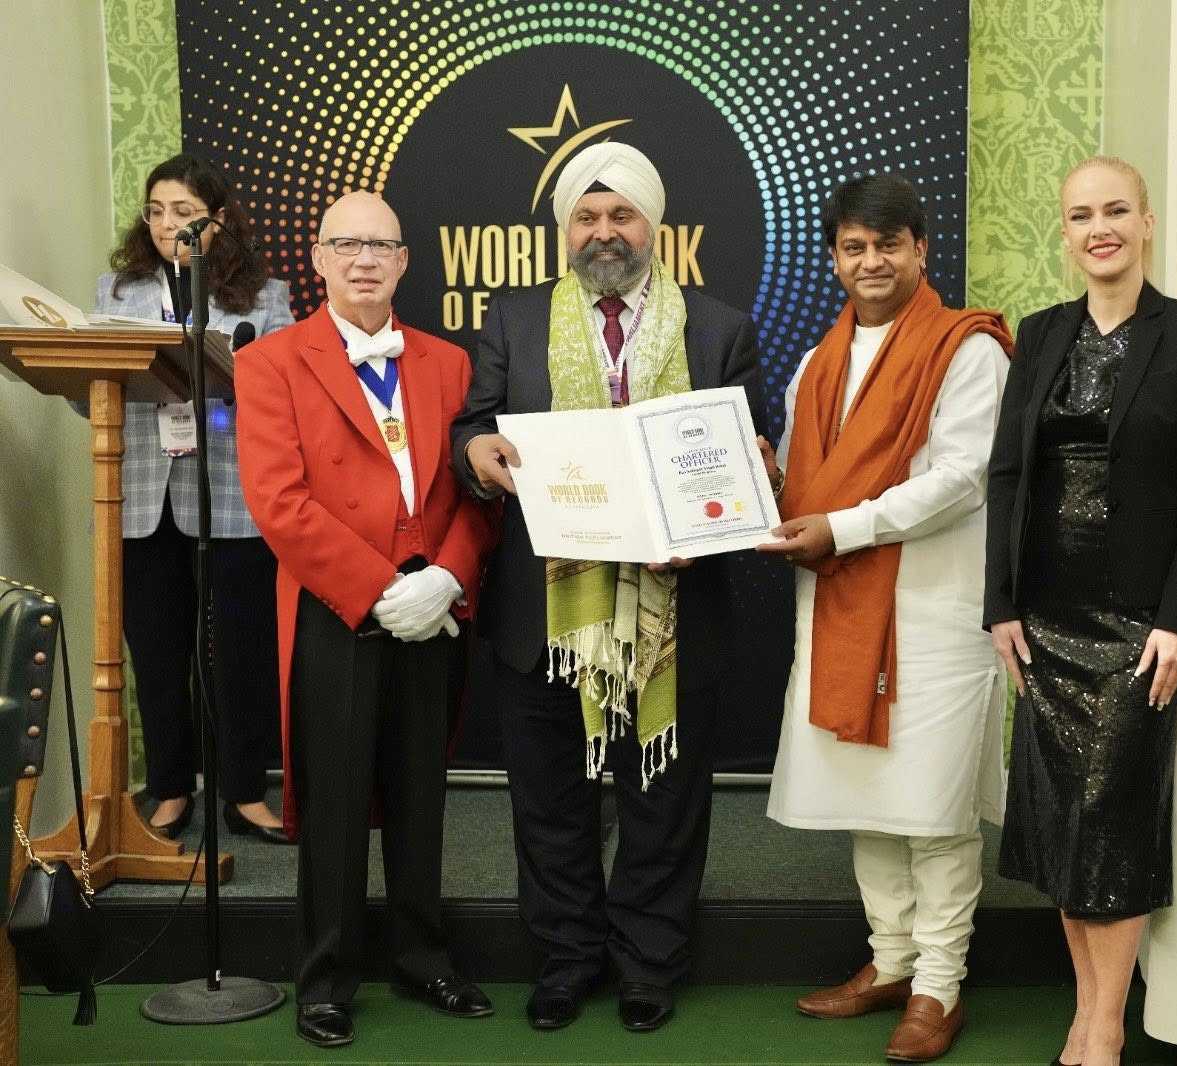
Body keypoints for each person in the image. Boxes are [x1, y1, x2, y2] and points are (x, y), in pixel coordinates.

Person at [450, 142, 762, 1033]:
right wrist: (476, 452)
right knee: (551, 800)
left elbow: (749, 454)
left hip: (676, 609)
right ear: (565, 231)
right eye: (586, 217)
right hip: (546, 609)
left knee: (665, 803)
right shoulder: (514, 321)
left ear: (652, 225)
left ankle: (649, 965)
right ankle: (566, 960)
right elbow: (474, 426)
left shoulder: (719, 328)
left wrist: (716, 517)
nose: (604, 231)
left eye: (621, 214)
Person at [984, 156, 1177, 1066]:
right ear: (1066, 233)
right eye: (1083, 214)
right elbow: (1007, 476)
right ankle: (1088, 1009)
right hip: (1044, 616)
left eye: (1117, 210)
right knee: (1063, 817)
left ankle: (1106, 1025)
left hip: (1139, 622)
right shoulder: (1041, 332)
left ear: (1147, 223)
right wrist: (1000, 605)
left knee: (1114, 815)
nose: (1101, 228)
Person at [235, 191, 496, 1048]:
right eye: (346, 244)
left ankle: (424, 958)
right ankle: (326, 978)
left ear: (405, 261)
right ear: (318, 258)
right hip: (336, 604)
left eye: (381, 245)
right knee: (337, 799)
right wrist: (381, 590)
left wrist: (447, 577)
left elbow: (481, 489)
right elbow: (279, 503)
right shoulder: (270, 362)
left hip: (435, 609)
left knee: (422, 793)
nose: (364, 260)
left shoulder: (450, 363)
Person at [761, 174, 1011, 1064]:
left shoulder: (967, 349)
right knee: (869, 799)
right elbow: (806, 478)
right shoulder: (817, 362)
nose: (871, 261)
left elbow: (961, 479)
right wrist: (755, 478)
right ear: (835, 258)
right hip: (841, 608)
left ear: (921, 250)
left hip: (935, 616)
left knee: (932, 811)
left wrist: (843, 526)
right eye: (854, 247)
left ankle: (940, 984)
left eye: (888, 245)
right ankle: (893, 962)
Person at [92, 153, 293, 842]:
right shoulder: (116, 293)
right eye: (155, 211)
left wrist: (223, 377)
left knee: (241, 653)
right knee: (156, 651)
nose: (166, 225)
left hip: (232, 494)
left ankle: (245, 792)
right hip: (143, 498)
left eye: (183, 212)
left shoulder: (265, 297)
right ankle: (172, 789)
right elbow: (92, 393)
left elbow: (285, 396)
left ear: (219, 219)